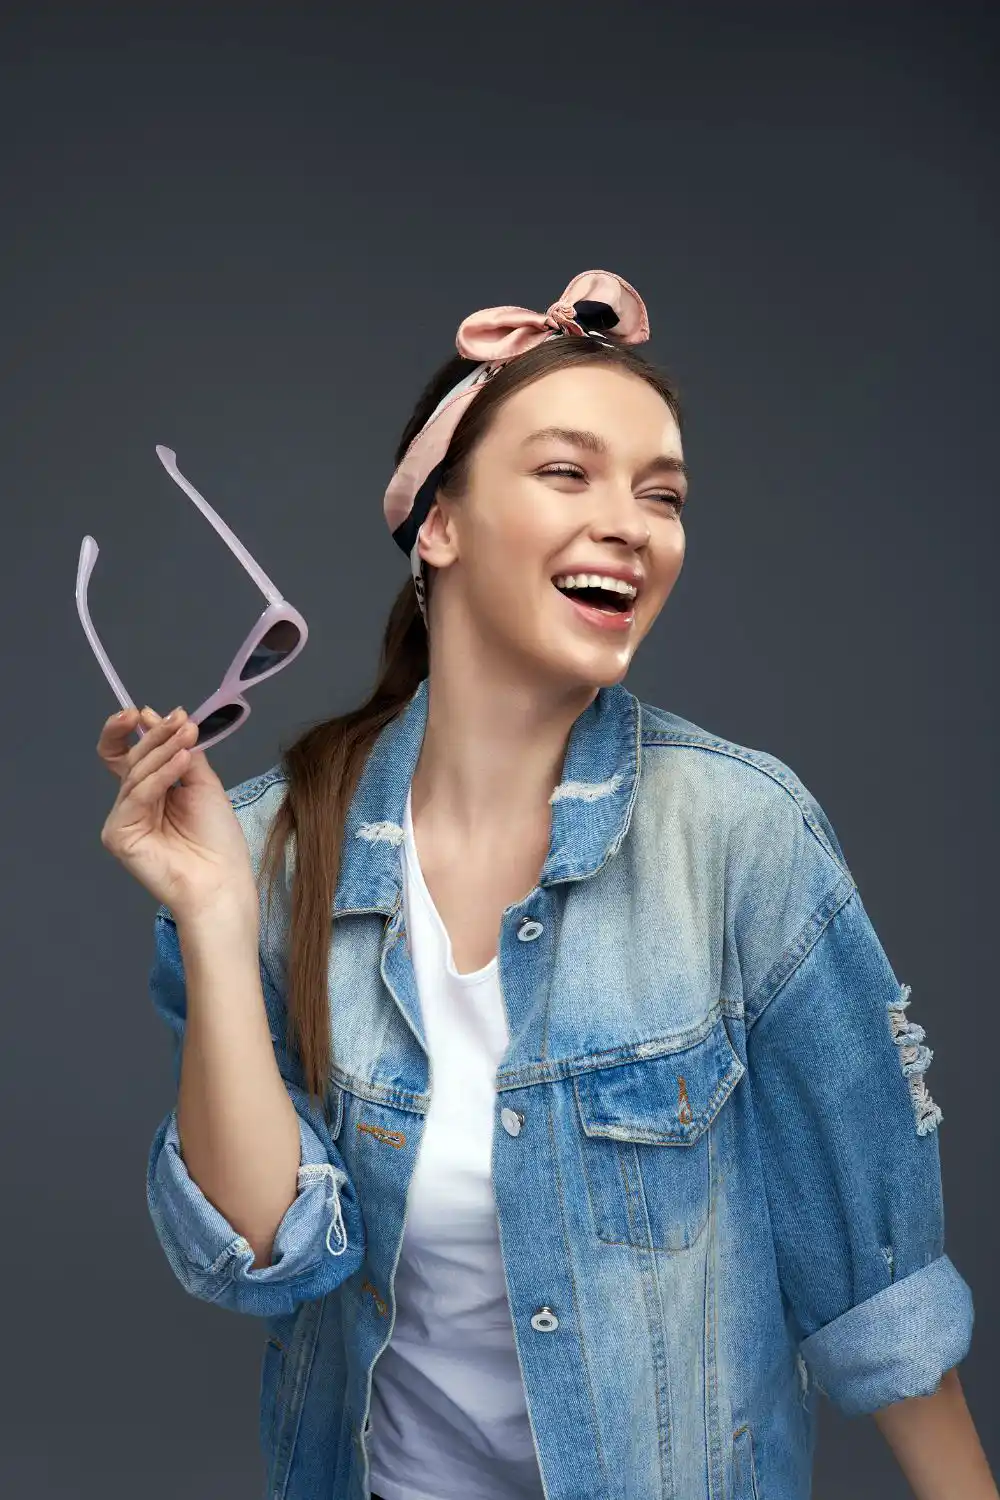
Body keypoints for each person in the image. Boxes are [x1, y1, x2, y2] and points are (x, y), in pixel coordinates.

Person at [95, 271, 994, 1500]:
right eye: (567, 473)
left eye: (661, 493)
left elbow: (877, 1293)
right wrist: (209, 910)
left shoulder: (741, 837)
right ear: (440, 525)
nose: (631, 522)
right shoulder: (270, 854)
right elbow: (268, 1254)